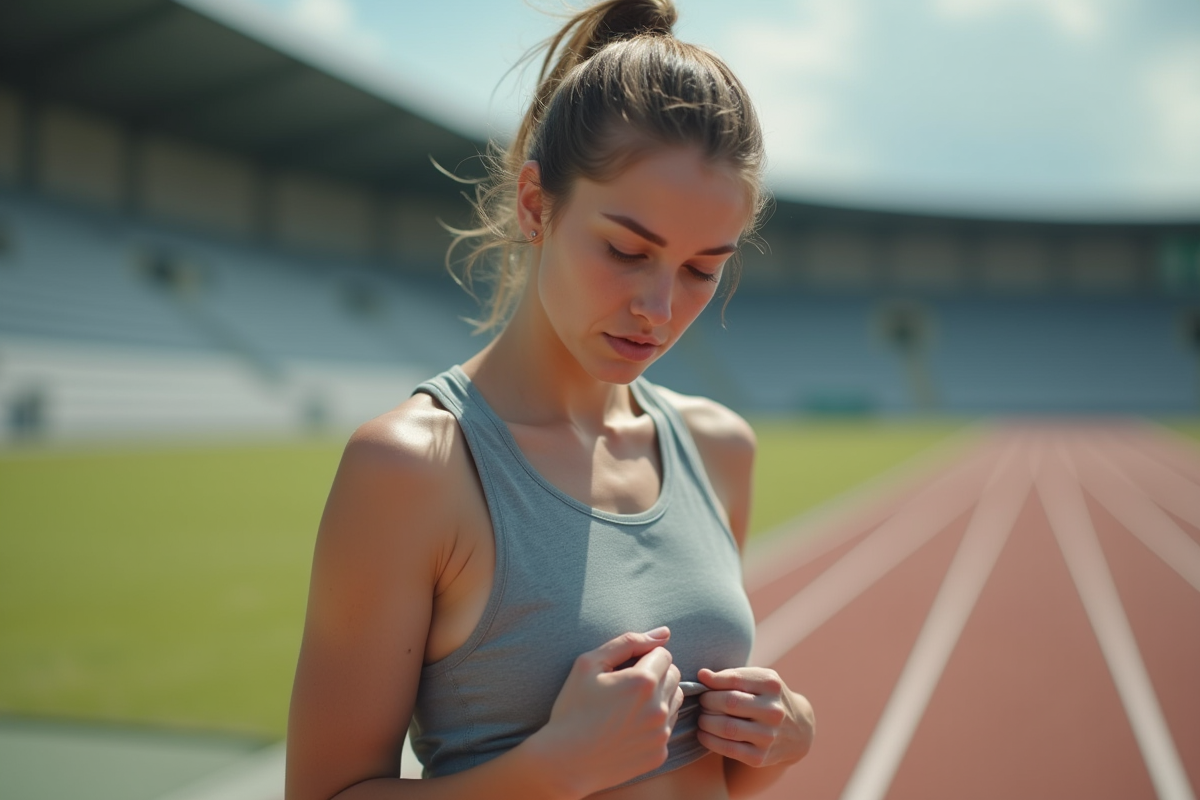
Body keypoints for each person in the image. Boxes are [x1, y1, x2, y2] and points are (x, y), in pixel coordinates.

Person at [285, 1, 815, 797]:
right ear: (536, 206)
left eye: (703, 269)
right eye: (626, 250)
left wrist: (778, 739)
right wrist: (553, 769)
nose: (660, 309)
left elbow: (709, 776)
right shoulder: (415, 468)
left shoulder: (719, 448)